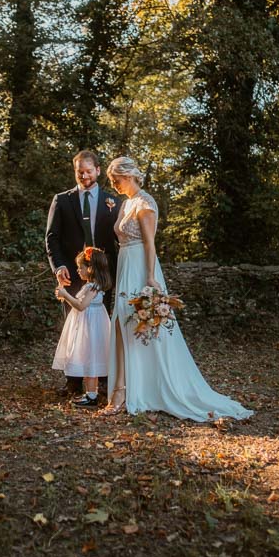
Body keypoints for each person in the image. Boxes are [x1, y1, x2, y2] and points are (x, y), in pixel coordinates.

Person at [99, 156, 252, 421]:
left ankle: (134, 391)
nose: (114, 184)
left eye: (117, 179)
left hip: (139, 268)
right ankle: (121, 390)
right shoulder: (126, 204)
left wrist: (150, 277)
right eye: (112, 180)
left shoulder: (145, 204)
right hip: (125, 264)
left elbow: (150, 244)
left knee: (137, 326)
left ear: (131, 175)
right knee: (120, 325)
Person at [44, 150, 120, 398]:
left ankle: (102, 380)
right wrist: (59, 267)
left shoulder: (113, 201)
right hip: (75, 274)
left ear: (98, 170)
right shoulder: (62, 200)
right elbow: (52, 238)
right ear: (75, 171)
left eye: (88, 171)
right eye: (80, 171)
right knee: (75, 328)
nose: (84, 175)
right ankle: (74, 382)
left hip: (105, 276)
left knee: (103, 326)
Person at [52, 247, 112, 408]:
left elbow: (81, 305)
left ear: (90, 268)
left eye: (81, 267)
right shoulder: (91, 285)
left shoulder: (92, 287)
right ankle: (90, 393)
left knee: (90, 358)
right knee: (87, 357)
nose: (78, 270)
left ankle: (92, 396)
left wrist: (66, 295)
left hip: (90, 327)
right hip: (88, 324)